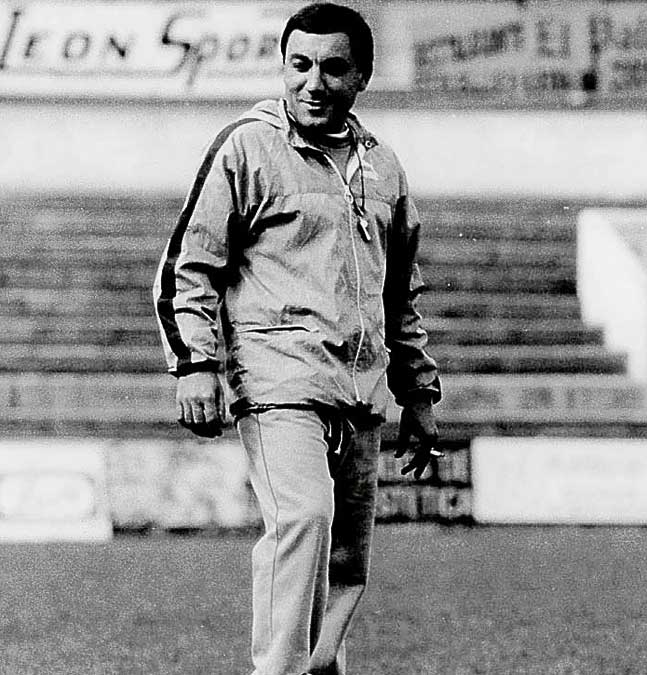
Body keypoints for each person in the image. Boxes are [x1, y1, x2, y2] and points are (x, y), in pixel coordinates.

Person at [152, 4, 441, 673]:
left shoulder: (385, 170)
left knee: (345, 560)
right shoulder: (248, 148)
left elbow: (400, 294)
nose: (313, 82)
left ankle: (317, 669)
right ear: (283, 67)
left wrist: (418, 392)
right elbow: (188, 265)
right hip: (280, 378)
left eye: (333, 67)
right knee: (303, 520)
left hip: (361, 390)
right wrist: (195, 365)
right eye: (299, 64)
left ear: (361, 76)